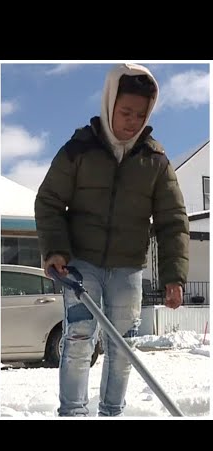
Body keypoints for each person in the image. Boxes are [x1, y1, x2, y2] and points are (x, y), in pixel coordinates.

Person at [34, 63, 189, 417]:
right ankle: (72, 411)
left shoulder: (156, 161)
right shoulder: (79, 149)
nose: (131, 120)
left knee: (124, 347)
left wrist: (174, 276)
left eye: (140, 114)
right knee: (78, 340)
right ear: (108, 104)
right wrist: (56, 250)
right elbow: (49, 201)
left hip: (127, 268)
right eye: (125, 112)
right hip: (81, 263)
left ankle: (112, 411)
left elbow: (173, 221)